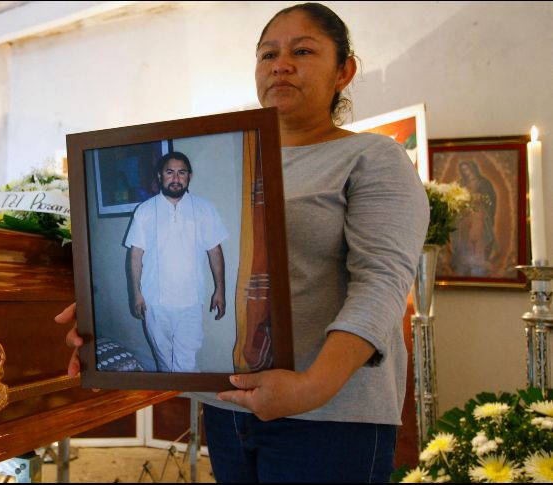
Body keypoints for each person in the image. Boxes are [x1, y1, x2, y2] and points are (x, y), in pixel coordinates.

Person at [56, 2, 429, 482]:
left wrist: (311, 388)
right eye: (268, 54)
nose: (281, 65)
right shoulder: (242, 154)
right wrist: (96, 316)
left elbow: (381, 285)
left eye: (303, 50)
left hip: (330, 416)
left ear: (345, 70)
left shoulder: (372, 157)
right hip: (230, 410)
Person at [124, 151, 228, 372]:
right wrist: (136, 293)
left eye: (181, 173)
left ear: (189, 176)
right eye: (170, 172)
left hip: (190, 301)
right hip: (154, 301)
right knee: (163, 360)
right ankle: (172, 402)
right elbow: (135, 255)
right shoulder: (145, 211)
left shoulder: (204, 208)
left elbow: (215, 251)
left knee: (186, 364)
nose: (175, 178)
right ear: (160, 176)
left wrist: (220, 290)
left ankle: (191, 403)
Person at [449, 160, 500, 276]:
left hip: (478, 216)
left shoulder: (483, 183)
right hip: (464, 218)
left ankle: (478, 264)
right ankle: (465, 262)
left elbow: (490, 199)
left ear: (473, 169)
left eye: (467, 169)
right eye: (463, 170)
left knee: (477, 239)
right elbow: (454, 199)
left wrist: (480, 197)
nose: (466, 172)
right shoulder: (460, 184)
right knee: (464, 239)